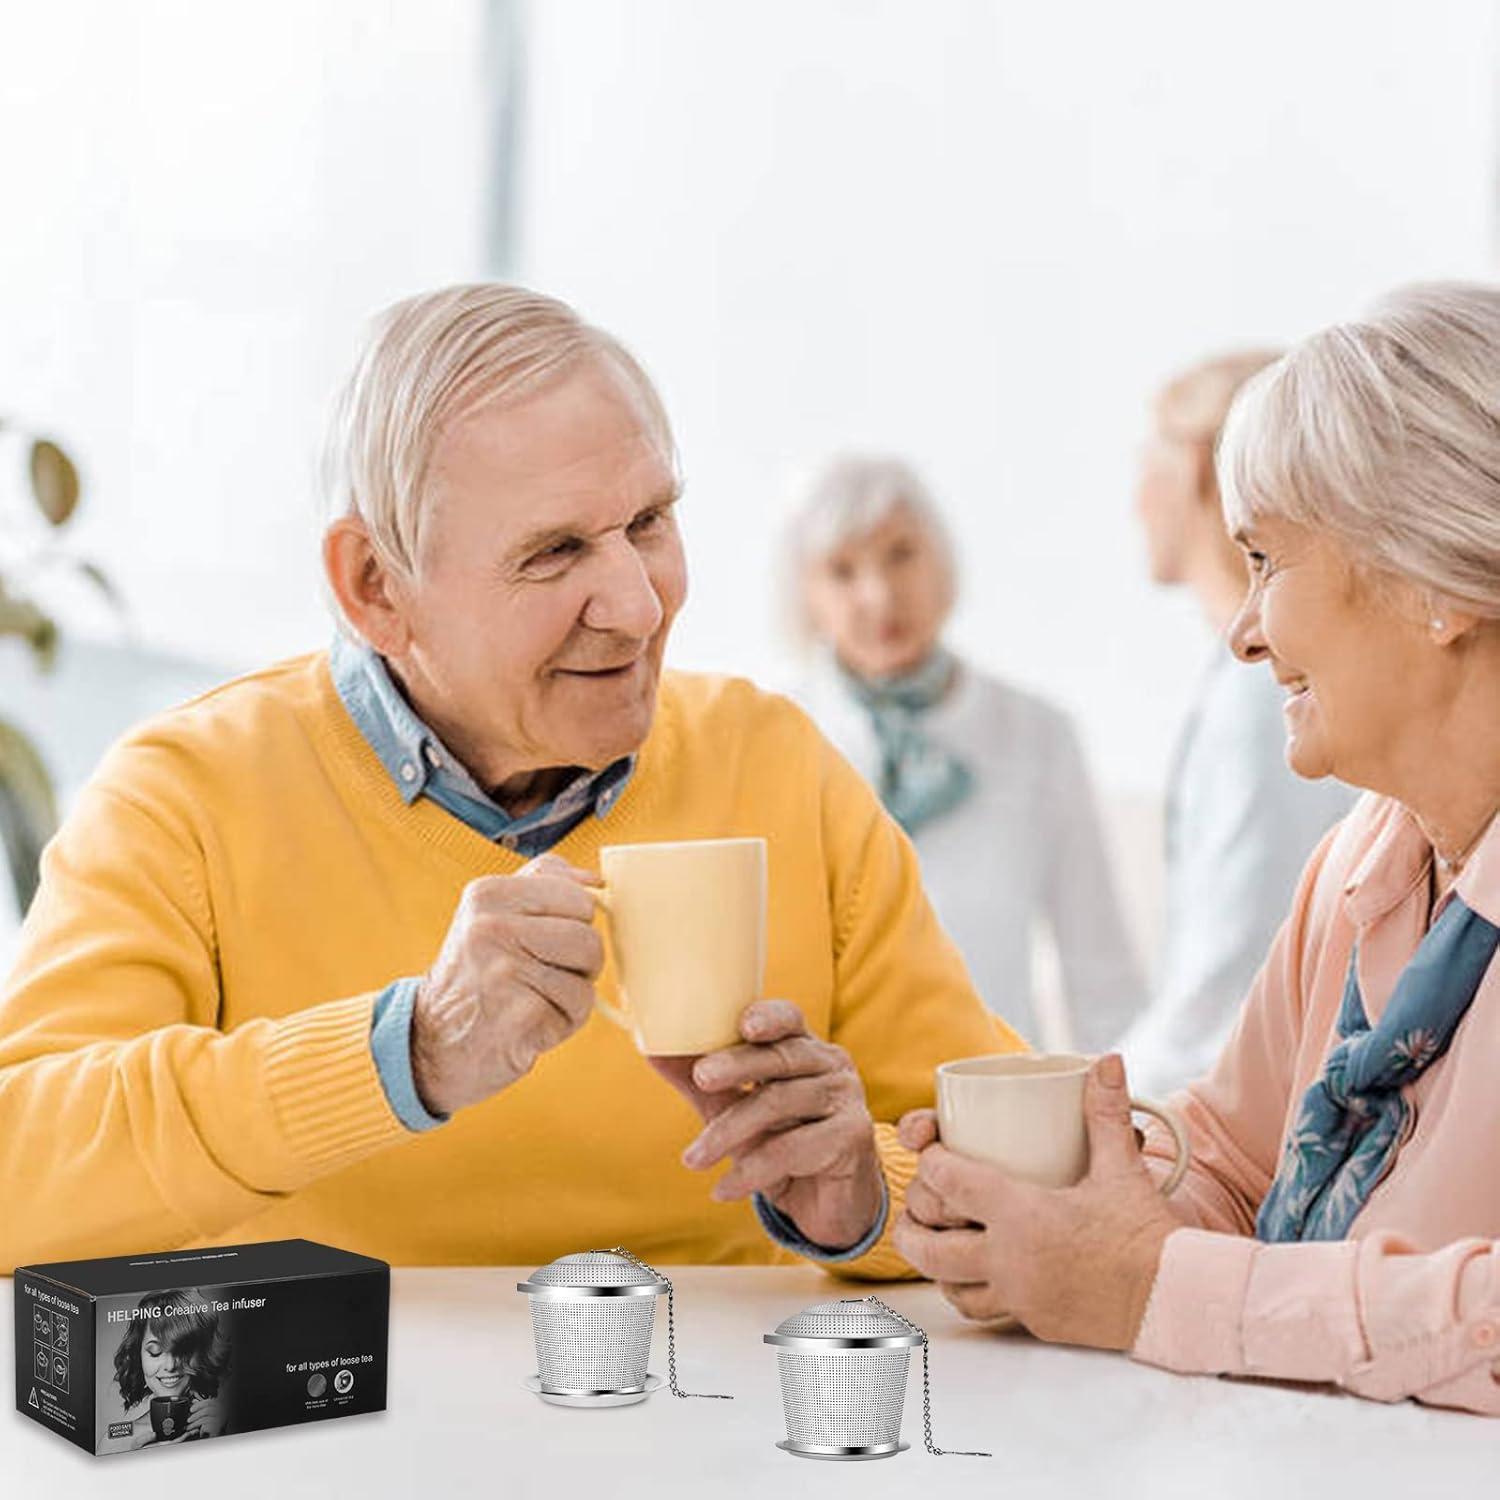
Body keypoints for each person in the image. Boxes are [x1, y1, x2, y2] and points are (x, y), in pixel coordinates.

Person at [0, 284, 1017, 1278]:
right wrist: (406, 1055)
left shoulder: (778, 764)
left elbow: (1014, 1183)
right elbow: (21, 1176)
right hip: (340, 1432)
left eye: (650, 520)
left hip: (726, 1432)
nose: (637, 604)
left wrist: (864, 1200)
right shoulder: (185, 796)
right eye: (554, 552)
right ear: (375, 587)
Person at [893, 282, 1500, 1415]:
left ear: (1437, 583)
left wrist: (1152, 1288)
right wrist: (1029, 1209)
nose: (1244, 628)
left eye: (1269, 560)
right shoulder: (1370, 862)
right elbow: (1226, 1162)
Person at [784, 456, 1146, 1051]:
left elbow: (1101, 979)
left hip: (997, 1101)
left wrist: (1134, 1127)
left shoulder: (1039, 735)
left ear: (941, 558)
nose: (878, 595)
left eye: (901, 554)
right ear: (806, 594)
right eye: (843, 571)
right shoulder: (780, 735)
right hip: (833, 1110)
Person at [1119, 353, 1355, 1095]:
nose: (1135, 501)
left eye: (1143, 466)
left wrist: (1094, 1106)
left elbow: (1228, 980)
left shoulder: (1263, 696)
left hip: (1250, 1121)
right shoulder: (1250, 681)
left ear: (1196, 468)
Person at [101, 1288, 230, 1450]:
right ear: (138, 1356)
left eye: (183, 1350)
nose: (170, 1366)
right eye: (155, 1352)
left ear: (204, 1354)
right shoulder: (114, 1441)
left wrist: (221, 1439)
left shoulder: (226, 1424)